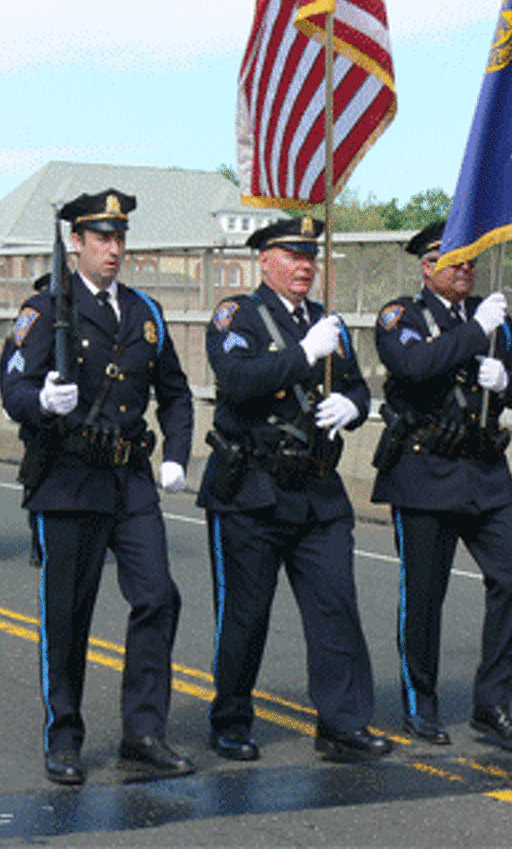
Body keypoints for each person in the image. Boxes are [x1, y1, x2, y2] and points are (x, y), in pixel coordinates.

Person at [0, 189, 194, 786]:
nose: (113, 249)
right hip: (68, 480)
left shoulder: (143, 312)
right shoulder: (44, 310)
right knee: (68, 615)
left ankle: (143, 732)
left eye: (120, 238)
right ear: (76, 243)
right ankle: (65, 736)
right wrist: (40, 402)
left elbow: (176, 391)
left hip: (129, 481)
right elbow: (12, 387)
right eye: (101, 238)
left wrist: (176, 455)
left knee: (158, 595)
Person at [197, 215, 391, 765]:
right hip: (252, 490)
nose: (304, 266)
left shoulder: (328, 323)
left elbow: (354, 384)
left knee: (335, 610)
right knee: (245, 614)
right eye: (292, 256)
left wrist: (354, 405)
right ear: (264, 260)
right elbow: (236, 380)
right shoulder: (239, 315)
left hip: (317, 491)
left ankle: (343, 723)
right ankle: (231, 719)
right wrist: (303, 354)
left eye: (311, 257)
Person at [371, 220, 512, 746]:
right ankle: (421, 702)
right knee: (424, 596)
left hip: (486, 470)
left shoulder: (495, 322)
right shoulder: (402, 315)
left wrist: (506, 381)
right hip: (425, 470)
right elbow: (415, 364)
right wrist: (475, 332)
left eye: (472, 261)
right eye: (456, 262)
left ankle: (493, 704)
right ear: (429, 267)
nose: (468, 270)